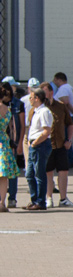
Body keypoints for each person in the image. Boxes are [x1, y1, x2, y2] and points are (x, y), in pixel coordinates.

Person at [40, 82, 73, 207]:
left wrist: (69, 140)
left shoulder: (60, 106)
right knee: (48, 172)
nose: (43, 95)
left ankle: (63, 198)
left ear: (51, 92)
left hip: (60, 144)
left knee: (63, 171)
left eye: (44, 92)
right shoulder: (40, 107)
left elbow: (70, 124)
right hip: (46, 145)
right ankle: (48, 197)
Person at [23, 88, 53, 211]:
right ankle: (34, 199)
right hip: (34, 145)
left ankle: (41, 202)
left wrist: (35, 142)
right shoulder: (34, 111)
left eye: (31, 97)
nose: (29, 99)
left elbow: (46, 131)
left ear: (37, 98)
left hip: (41, 145)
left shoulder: (44, 111)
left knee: (39, 173)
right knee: (29, 174)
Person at [0, 84, 18, 212]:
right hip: (4, 143)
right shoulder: (7, 109)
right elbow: (11, 128)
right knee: (4, 176)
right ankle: (2, 202)